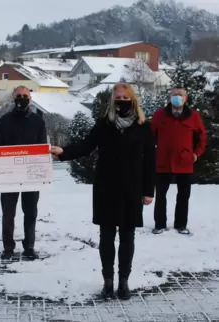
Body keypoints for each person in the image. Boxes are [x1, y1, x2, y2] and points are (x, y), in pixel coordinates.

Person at [50, 83, 155, 300]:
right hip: (106, 187)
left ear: (133, 100)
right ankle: (108, 281)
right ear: (112, 100)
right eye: (118, 97)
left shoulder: (143, 126)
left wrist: (148, 191)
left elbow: (150, 161)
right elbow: (86, 146)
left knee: (127, 236)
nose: (122, 100)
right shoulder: (103, 124)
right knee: (106, 237)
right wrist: (63, 152)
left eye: (126, 97)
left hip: (132, 189)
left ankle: (123, 282)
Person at [0, 86, 47, 261]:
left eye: (25, 96)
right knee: (8, 212)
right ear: (13, 97)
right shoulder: (4, 120)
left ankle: (29, 246)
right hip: (9, 173)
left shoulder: (38, 122)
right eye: (18, 95)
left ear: (30, 99)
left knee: (30, 211)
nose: (21, 98)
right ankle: (8, 247)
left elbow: (41, 147)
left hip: (31, 173)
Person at [151, 87, 206, 235]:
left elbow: (202, 137)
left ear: (186, 98)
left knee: (183, 195)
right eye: (175, 94)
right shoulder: (159, 115)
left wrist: (196, 154)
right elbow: (150, 136)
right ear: (169, 97)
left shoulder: (193, 116)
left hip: (185, 161)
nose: (177, 97)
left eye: (180, 95)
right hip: (163, 160)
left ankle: (181, 224)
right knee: (161, 194)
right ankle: (160, 224)